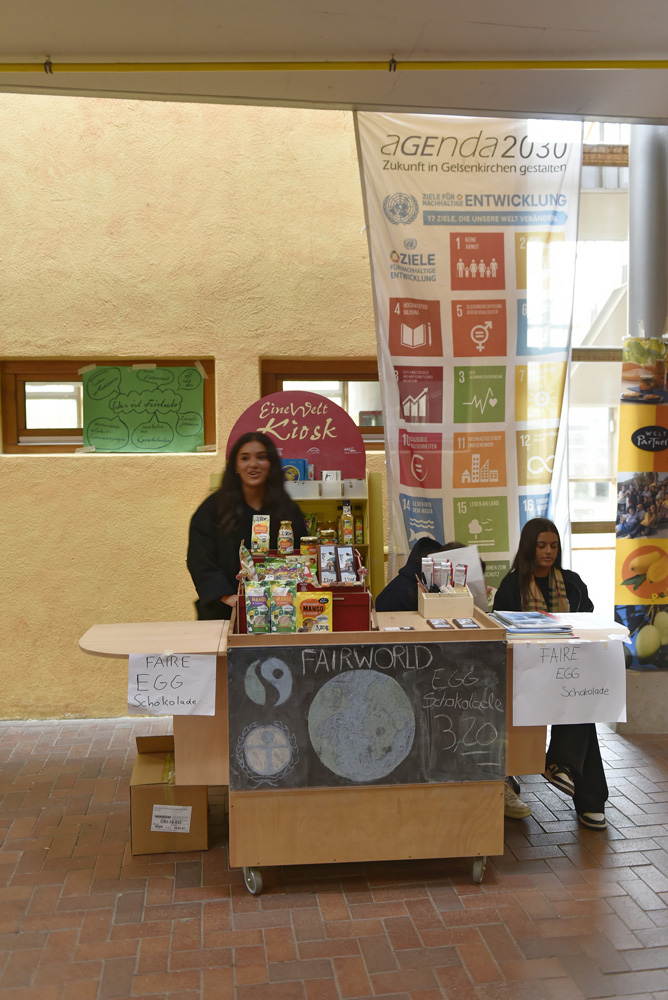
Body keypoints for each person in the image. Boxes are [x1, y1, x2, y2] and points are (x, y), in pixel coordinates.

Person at [376, 537, 532, 821]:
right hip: (419, 687)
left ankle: (497, 779)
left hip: (459, 682)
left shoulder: (460, 596)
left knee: (489, 705)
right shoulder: (400, 593)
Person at [493, 517, 608, 830]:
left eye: (554, 546)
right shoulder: (511, 586)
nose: (548, 551)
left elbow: (588, 622)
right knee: (579, 704)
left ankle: (565, 769)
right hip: (527, 672)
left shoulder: (572, 583)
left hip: (567, 666)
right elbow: (501, 629)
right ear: (529, 547)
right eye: (542, 545)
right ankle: (579, 786)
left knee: (580, 700)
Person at [187, 431, 307, 620]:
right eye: (244, 458)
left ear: (271, 464)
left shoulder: (288, 511)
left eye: (261, 457)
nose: (253, 464)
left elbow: (303, 558)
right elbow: (199, 558)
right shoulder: (213, 508)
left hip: (279, 614)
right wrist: (227, 597)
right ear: (235, 465)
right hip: (224, 613)